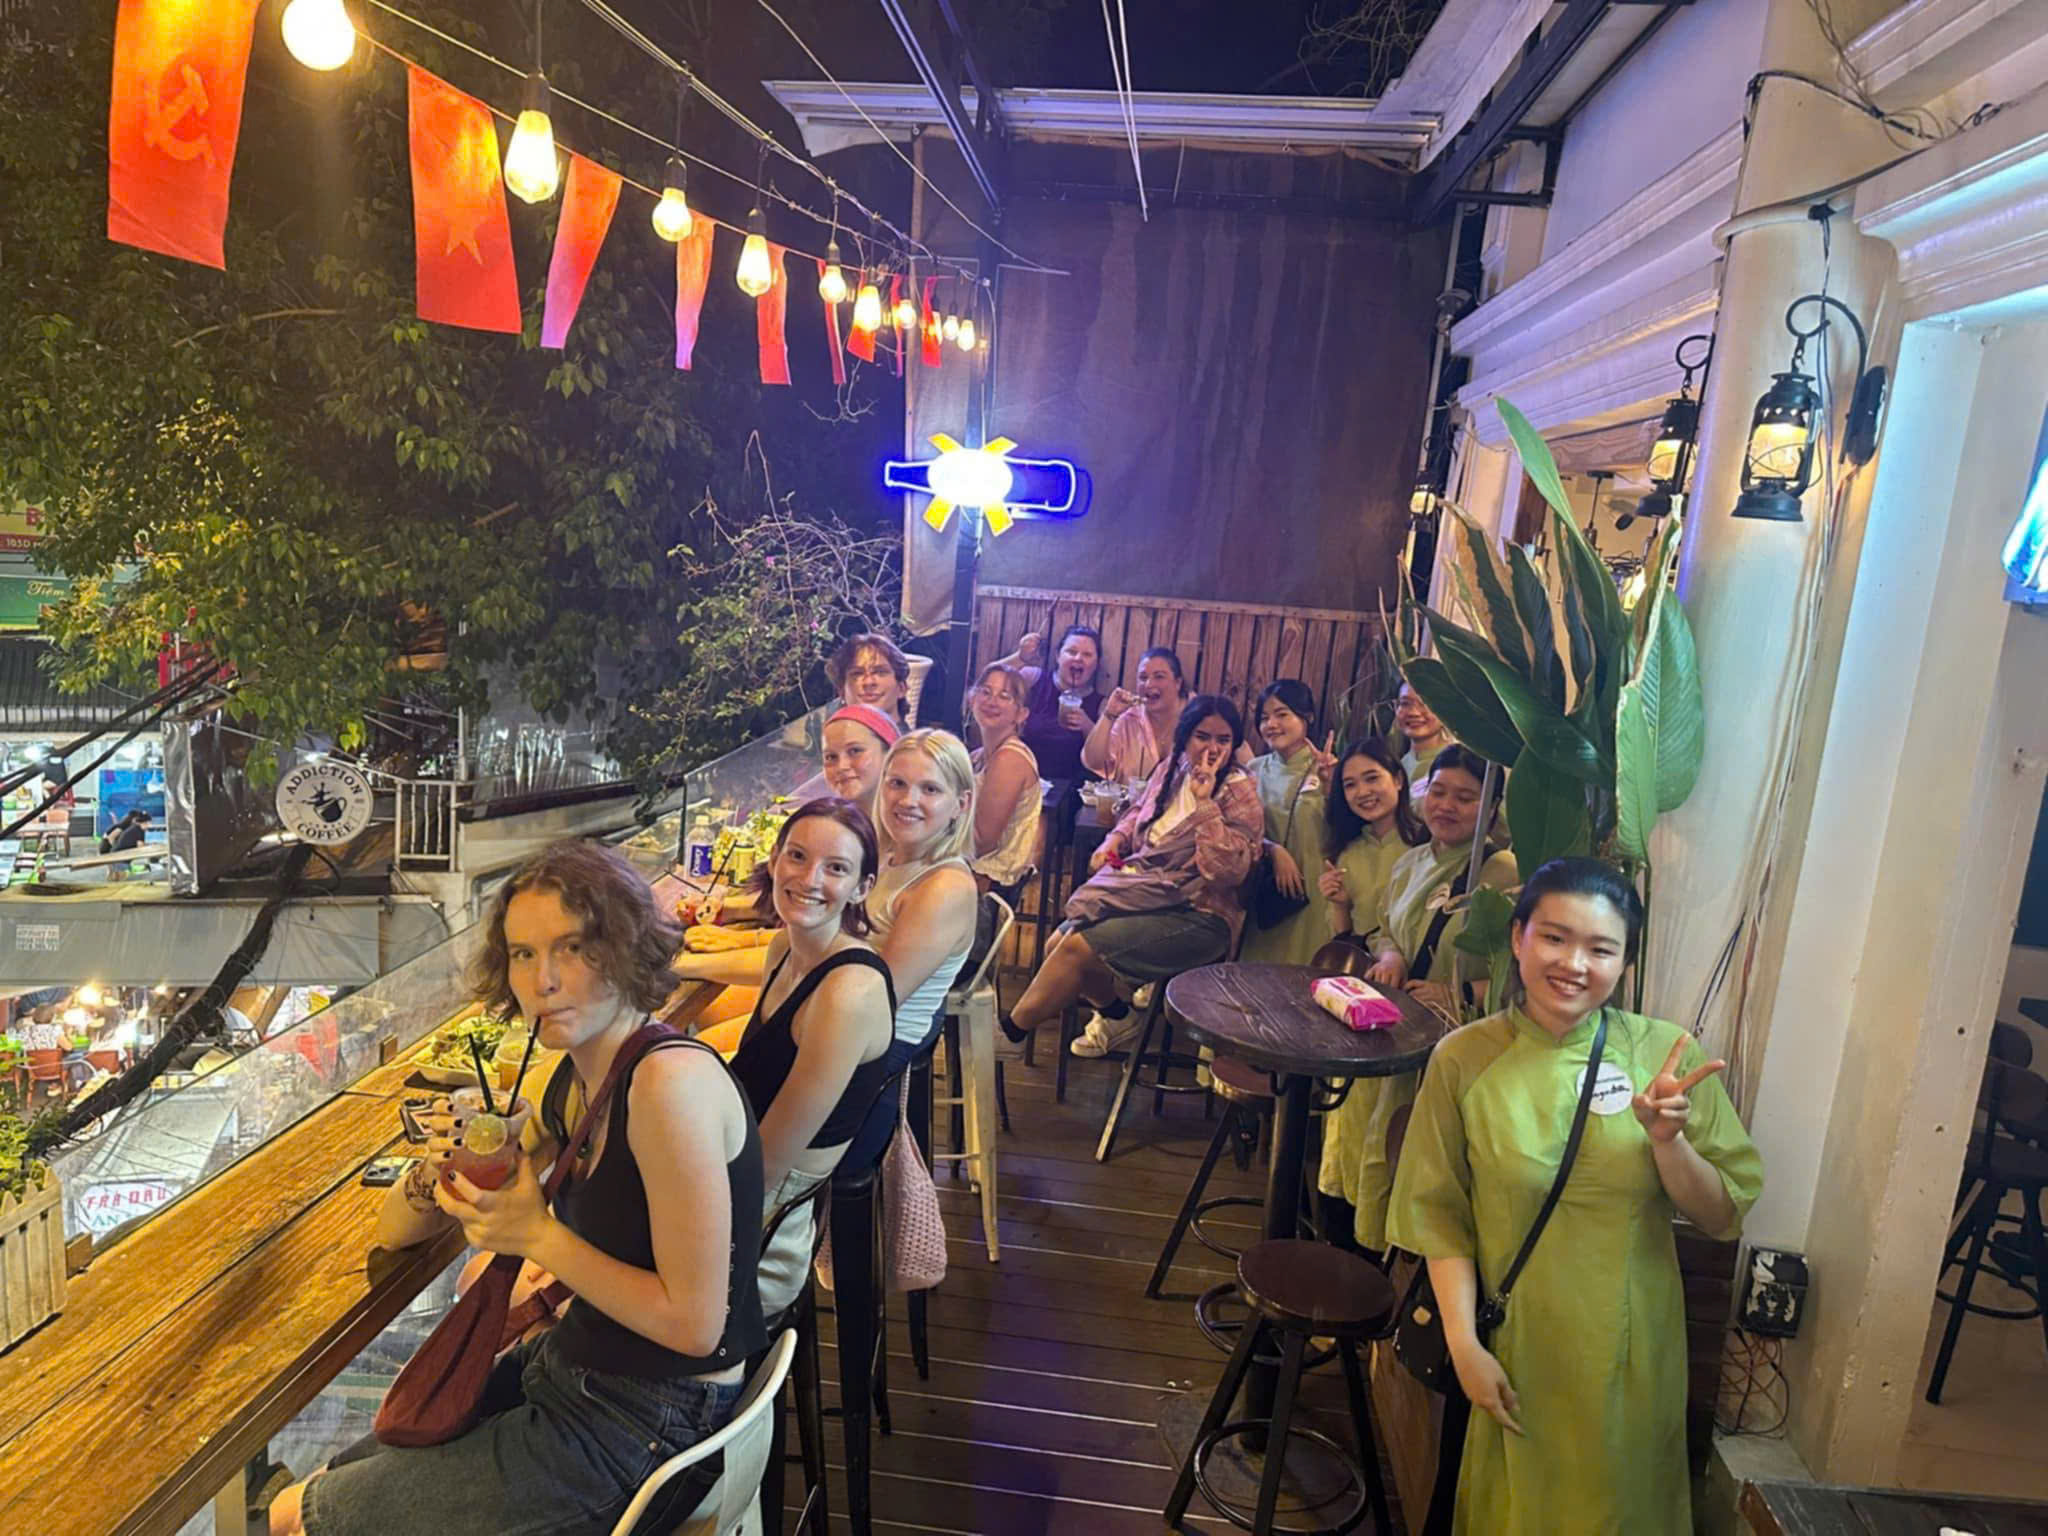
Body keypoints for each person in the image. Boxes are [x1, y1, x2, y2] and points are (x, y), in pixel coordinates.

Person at [272, 840, 765, 1536]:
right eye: (523, 954)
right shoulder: (576, 1078)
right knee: (317, 1491)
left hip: (646, 1421)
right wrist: (440, 1167)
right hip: (573, 1370)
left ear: (627, 947)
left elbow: (695, 1325)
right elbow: (397, 1232)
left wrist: (537, 1235)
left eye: (573, 948)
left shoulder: (666, 1085)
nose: (544, 981)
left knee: (298, 1519)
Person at [1388, 857, 1762, 1536]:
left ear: (1625, 962)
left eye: (1601, 949)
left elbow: (1720, 1216)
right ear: (1518, 938)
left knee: (1619, 1512)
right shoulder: (1463, 1059)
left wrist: (1669, 1142)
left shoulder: (1664, 1054)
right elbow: (1439, 1217)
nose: (1574, 964)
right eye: (1555, 938)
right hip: (1516, 1343)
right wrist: (1464, 1345)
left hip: (1631, 1349)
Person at [1321, 745, 1517, 1254]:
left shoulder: (1503, 873)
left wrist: (1460, 992)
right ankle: (1353, 1255)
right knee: (1365, 1137)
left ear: (1491, 808)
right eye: (1439, 792)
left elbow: (1520, 969)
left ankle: (1392, 1267)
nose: (1446, 806)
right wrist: (1391, 956)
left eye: (1465, 798)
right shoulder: (1411, 862)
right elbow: (1388, 927)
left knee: (1407, 1153)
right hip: (1390, 1027)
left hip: (1450, 1045)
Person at [999, 696, 1263, 1060]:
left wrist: (1205, 805)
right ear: (1186, 736)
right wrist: (1115, 839)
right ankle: (1118, 1017)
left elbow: (1228, 873)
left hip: (1201, 914)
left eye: (1224, 739)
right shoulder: (1173, 767)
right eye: (1203, 736)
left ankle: (1007, 1035)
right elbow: (1139, 810)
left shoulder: (1239, 790)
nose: (1212, 748)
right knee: (1056, 944)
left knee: (1076, 949)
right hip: (1147, 890)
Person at [726, 800, 899, 1316]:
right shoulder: (784, 949)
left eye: (836, 868)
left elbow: (769, 1164)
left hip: (761, 1238)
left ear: (863, 887)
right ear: (775, 859)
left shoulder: (848, 993)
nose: (809, 879)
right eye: (797, 856)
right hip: (738, 1180)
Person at [1238, 680, 1341, 968]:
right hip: (1265, 891)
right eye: (1264, 717)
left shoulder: (1329, 767)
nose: (1271, 724)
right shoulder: (1253, 770)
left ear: (1307, 717)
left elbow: (1348, 828)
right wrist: (1273, 850)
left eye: (1282, 714)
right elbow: (1239, 830)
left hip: (1314, 892)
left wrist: (1331, 784)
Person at [966, 664, 1041, 901]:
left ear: (1021, 714)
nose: (992, 702)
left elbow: (982, 842)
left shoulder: (1009, 759)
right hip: (968, 872)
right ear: (972, 699)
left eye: (1004, 696)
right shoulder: (977, 756)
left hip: (988, 886)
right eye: (986, 692)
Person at [1000, 624, 1105, 784]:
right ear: (1058, 656)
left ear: (1096, 664)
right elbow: (989, 682)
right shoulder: (1033, 678)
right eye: (1071, 652)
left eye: (1087, 654)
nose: (1078, 658)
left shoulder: (1101, 705)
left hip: (1069, 791)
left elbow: (1104, 760)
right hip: (1020, 779)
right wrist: (1020, 657)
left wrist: (1088, 726)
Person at [1081, 647, 1186, 783]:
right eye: (1143, 678)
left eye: (1159, 676)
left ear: (1178, 683)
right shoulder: (1129, 719)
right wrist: (1109, 714)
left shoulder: (1196, 718)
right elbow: (1093, 762)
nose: (1149, 684)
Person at [819, 703, 899, 821]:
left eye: (855, 751)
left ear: (889, 754)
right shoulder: (828, 826)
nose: (842, 766)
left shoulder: (915, 824)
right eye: (831, 757)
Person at [827, 632, 915, 726]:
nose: (868, 682)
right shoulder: (825, 732)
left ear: (902, 688)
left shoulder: (917, 736)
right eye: (857, 673)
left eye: (880, 672)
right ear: (842, 691)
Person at [1395, 678, 1454, 796]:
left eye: (1425, 703)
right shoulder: (1397, 765)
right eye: (1405, 703)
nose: (1414, 713)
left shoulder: (1457, 763)